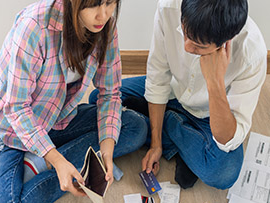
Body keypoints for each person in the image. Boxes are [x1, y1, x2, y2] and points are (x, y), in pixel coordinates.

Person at [0, 0, 147, 203]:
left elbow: (110, 92)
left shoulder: (105, 25)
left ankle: (45, 165)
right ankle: (56, 165)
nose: (103, 14)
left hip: (55, 119)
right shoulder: (34, 27)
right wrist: (56, 160)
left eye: (110, 3)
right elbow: (16, 108)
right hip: (5, 129)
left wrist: (107, 150)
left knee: (136, 127)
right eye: (94, 5)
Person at [90, 0, 267, 190]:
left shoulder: (252, 54)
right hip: (173, 92)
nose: (187, 47)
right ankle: (184, 146)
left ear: (225, 43)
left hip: (211, 116)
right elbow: (158, 76)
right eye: (184, 33)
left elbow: (228, 139)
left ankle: (165, 128)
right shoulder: (169, 6)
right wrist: (156, 144)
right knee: (98, 99)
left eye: (198, 46)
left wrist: (214, 84)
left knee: (223, 173)